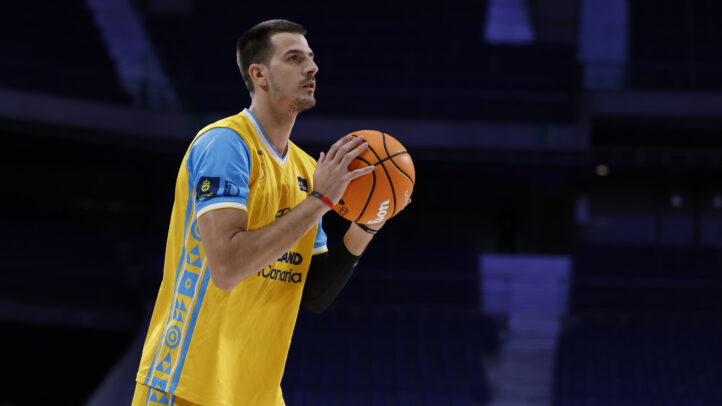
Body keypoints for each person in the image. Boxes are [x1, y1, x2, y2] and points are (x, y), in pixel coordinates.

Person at [132, 19, 403, 406]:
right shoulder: (225, 144)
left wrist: (368, 223)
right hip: (186, 385)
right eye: (294, 58)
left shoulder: (307, 169)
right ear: (259, 74)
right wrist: (320, 201)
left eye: (311, 58)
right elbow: (227, 268)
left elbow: (314, 293)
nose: (312, 67)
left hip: (257, 395)